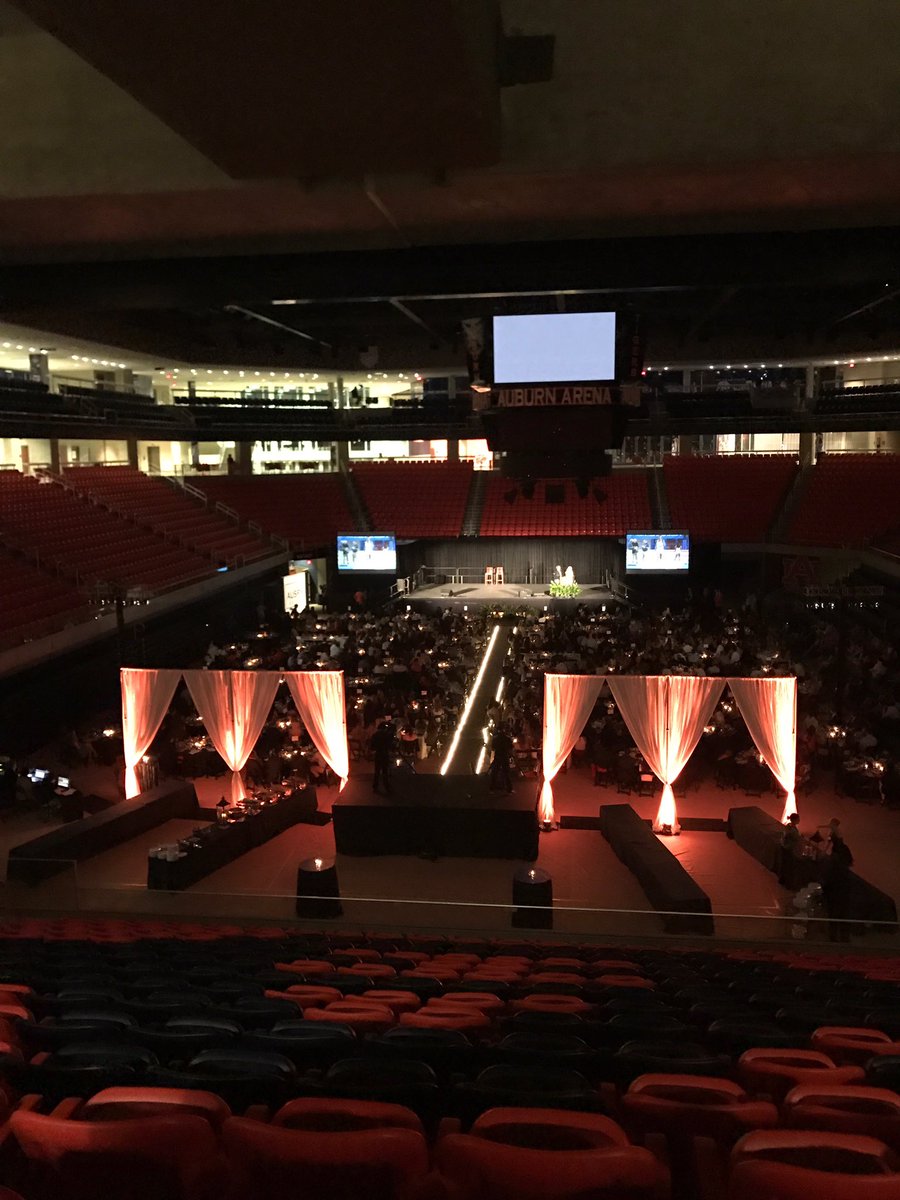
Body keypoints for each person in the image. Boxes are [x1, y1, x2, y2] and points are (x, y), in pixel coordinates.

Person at [822, 833, 854, 942]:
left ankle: (833, 937)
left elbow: (827, 877)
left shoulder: (832, 860)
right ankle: (844, 938)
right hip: (843, 890)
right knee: (844, 915)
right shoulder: (844, 853)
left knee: (833, 915)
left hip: (833, 891)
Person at [371, 719, 397, 795]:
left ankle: (375, 786)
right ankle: (386, 787)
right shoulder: (386, 735)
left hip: (378, 754)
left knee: (377, 771)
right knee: (385, 771)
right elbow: (390, 745)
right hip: (384, 754)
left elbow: (372, 746)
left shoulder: (375, 735)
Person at [778, 812, 802, 889]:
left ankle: (782, 880)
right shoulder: (792, 830)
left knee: (784, 864)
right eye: (798, 819)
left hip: (785, 847)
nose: (799, 820)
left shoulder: (788, 826)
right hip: (788, 849)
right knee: (788, 866)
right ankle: (787, 883)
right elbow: (795, 838)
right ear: (794, 820)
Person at [490, 725, 514, 793]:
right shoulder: (507, 738)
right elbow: (511, 747)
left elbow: (493, 748)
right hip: (505, 756)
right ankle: (509, 789)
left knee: (495, 772)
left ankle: (492, 788)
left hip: (498, 756)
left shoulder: (495, 738)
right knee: (506, 773)